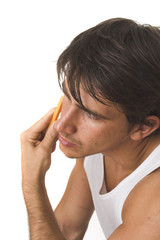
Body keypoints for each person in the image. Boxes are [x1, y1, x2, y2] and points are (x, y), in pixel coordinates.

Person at [21, 18, 160, 240]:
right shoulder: (99, 149)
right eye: (68, 96)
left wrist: (31, 183)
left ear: (144, 126)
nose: (61, 125)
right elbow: (67, 230)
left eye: (91, 114)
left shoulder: (156, 203)